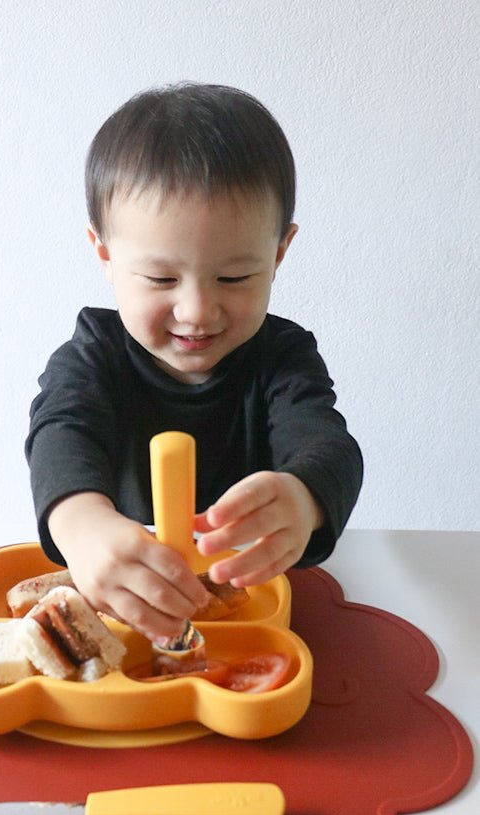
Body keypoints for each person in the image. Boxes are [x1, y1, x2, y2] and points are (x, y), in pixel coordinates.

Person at [26, 83, 363, 644]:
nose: (197, 311)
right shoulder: (92, 355)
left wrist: (304, 499)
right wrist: (81, 525)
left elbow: (330, 447)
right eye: (161, 278)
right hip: (121, 603)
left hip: (249, 607)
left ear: (279, 253)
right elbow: (61, 432)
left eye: (233, 277)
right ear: (105, 254)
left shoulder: (283, 358)